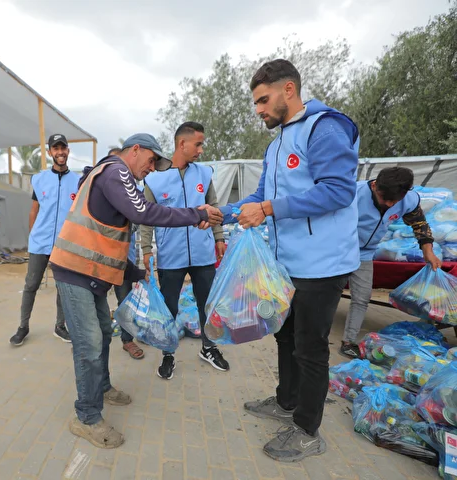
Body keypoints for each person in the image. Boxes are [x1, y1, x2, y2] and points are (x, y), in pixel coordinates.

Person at [220, 59, 360, 462]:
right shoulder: (278, 143)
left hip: (323, 264)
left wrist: (268, 209)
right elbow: (261, 195)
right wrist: (222, 213)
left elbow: (338, 191)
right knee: (285, 336)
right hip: (287, 264)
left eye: (263, 100)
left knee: (311, 348)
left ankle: (307, 429)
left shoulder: (324, 128)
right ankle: (286, 401)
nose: (258, 109)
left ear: (289, 90)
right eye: (255, 102)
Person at [49, 133, 223, 449]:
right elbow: (146, 213)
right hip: (74, 270)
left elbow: (107, 242)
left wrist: (137, 274)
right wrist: (197, 214)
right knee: (89, 343)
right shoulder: (116, 171)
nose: (152, 168)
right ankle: (86, 416)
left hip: (90, 272)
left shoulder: (115, 178)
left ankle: (101, 387)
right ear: (136, 150)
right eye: (151, 160)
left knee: (103, 333)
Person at [141, 122, 229, 379]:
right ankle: (168, 353)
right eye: (198, 144)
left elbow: (213, 207)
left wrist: (219, 237)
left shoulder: (203, 174)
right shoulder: (154, 180)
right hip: (171, 256)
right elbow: (145, 218)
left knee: (207, 304)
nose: (201, 150)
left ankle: (209, 348)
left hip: (203, 253)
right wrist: (146, 249)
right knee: (169, 308)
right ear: (182, 144)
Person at [340, 167, 441, 358]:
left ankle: (348, 342)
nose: (388, 204)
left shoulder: (409, 200)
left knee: (362, 298)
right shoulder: (352, 194)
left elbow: (419, 223)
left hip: (365, 254)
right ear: (375, 185)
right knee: (328, 294)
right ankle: (313, 335)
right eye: (384, 198)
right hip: (339, 251)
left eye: (394, 201)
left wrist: (428, 251)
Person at [9, 133, 79, 346]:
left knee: (63, 287)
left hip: (64, 244)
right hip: (40, 243)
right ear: (50, 152)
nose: (60, 152)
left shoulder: (78, 181)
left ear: (68, 151)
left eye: (63, 148)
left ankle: (60, 326)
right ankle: (23, 327)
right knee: (31, 285)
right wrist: (33, 235)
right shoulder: (40, 179)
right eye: (56, 149)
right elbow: (34, 210)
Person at [106, 147, 145, 360]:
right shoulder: (100, 190)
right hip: (100, 260)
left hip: (124, 261)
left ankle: (127, 340)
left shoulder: (133, 193)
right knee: (96, 301)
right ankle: (95, 339)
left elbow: (138, 223)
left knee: (125, 300)